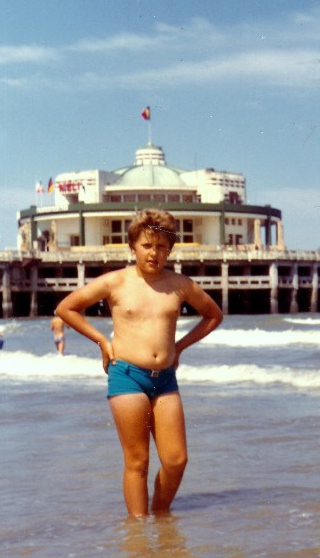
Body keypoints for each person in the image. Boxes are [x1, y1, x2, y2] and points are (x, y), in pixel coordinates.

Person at [56, 209, 223, 517]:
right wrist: (101, 340)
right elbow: (67, 308)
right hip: (127, 375)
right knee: (138, 461)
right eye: (147, 245)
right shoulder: (115, 282)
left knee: (176, 460)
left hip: (165, 379)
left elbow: (213, 315)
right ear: (133, 246)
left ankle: (160, 516)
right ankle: (138, 532)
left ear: (170, 249)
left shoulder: (180, 284)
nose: (154, 253)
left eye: (161, 246)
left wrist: (180, 347)